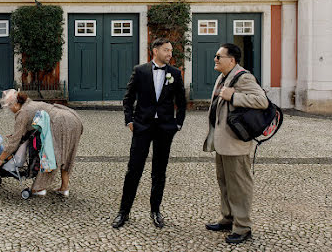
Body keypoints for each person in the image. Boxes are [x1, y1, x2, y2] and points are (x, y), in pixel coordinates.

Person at [112, 38, 187, 229]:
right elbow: (128, 98)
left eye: (171, 50)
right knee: (133, 170)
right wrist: (129, 120)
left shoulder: (175, 73)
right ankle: (123, 212)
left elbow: (182, 101)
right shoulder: (140, 71)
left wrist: (177, 124)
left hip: (165, 129)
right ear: (155, 51)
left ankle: (155, 211)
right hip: (142, 127)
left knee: (159, 172)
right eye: (166, 50)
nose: (170, 53)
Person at [203, 43, 268, 244]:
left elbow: (261, 101)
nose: (215, 59)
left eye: (219, 56)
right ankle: (228, 218)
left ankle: (243, 227)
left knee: (239, 185)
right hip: (223, 142)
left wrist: (235, 96)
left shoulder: (244, 77)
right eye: (216, 56)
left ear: (231, 60)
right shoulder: (223, 76)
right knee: (224, 183)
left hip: (236, 143)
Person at [0, 89, 83, 197]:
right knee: (67, 155)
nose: (10, 109)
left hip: (60, 123)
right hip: (73, 119)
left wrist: (0, 159)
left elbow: (14, 141)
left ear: (16, 104)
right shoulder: (30, 104)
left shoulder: (22, 113)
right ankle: (64, 188)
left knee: (51, 155)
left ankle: (39, 188)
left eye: (9, 106)